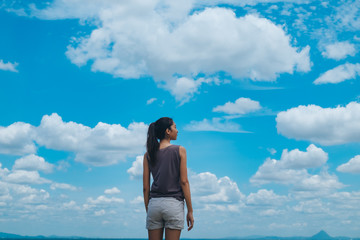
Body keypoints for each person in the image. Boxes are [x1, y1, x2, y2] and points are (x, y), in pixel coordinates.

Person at [143, 117, 194, 240]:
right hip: (173, 204)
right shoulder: (180, 150)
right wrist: (190, 210)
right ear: (168, 131)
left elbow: (145, 188)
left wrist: (148, 208)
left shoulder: (148, 154)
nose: (177, 130)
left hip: (154, 204)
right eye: (175, 127)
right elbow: (184, 181)